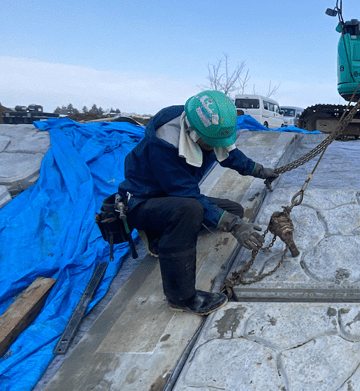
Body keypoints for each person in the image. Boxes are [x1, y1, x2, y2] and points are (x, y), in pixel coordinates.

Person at [118, 90, 279, 315]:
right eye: (211, 143)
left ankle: (164, 235)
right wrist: (234, 226)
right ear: (194, 132)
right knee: (190, 210)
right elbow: (188, 195)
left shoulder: (209, 126)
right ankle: (181, 298)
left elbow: (230, 155)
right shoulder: (163, 145)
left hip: (173, 196)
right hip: (143, 202)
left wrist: (260, 171)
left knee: (233, 210)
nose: (215, 147)